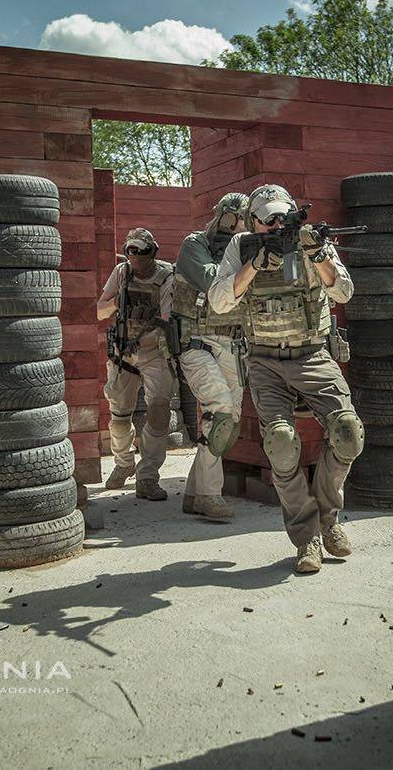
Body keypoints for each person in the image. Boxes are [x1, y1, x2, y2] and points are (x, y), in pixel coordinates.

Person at [207, 185, 365, 573]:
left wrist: (319, 255)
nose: (279, 225)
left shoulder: (312, 242)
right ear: (253, 222)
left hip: (312, 353)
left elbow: (343, 292)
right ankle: (306, 536)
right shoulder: (242, 247)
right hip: (264, 360)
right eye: (269, 219)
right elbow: (219, 300)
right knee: (279, 443)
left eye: (283, 217)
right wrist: (256, 265)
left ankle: (327, 518)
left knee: (348, 433)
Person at [171, 192, 250, 522]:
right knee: (219, 411)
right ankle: (208, 495)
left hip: (232, 343)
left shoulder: (248, 252)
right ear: (229, 218)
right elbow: (212, 281)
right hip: (196, 342)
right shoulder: (194, 245)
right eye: (246, 220)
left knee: (228, 419)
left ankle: (193, 493)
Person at [96, 228, 175, 500]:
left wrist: (141, 342)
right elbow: (99, 310)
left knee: (159, 411)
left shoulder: (166, 276)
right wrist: (119, 301)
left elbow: (166, 322)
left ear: (153, 250)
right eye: (132, 251)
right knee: (119, 418)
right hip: (122, 353)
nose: (137, 256)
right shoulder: (122, 273)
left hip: (153, 353)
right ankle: (123, 463)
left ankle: (148, 476)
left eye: (142, 251)